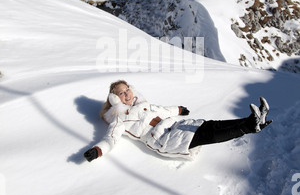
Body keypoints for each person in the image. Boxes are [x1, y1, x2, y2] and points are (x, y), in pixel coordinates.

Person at [84, 80, 272, 162]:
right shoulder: (119, 119)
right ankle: (250, 127)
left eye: (127, 90)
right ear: (114, 99)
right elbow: (112, 138)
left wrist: (179, 110)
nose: (126, 94)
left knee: (210, 125)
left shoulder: (143, 105)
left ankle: (252, 120)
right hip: (161, 139)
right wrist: (98, 150)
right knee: (207, 134)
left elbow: (164, 110)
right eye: (121, 93)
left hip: (173, 125)